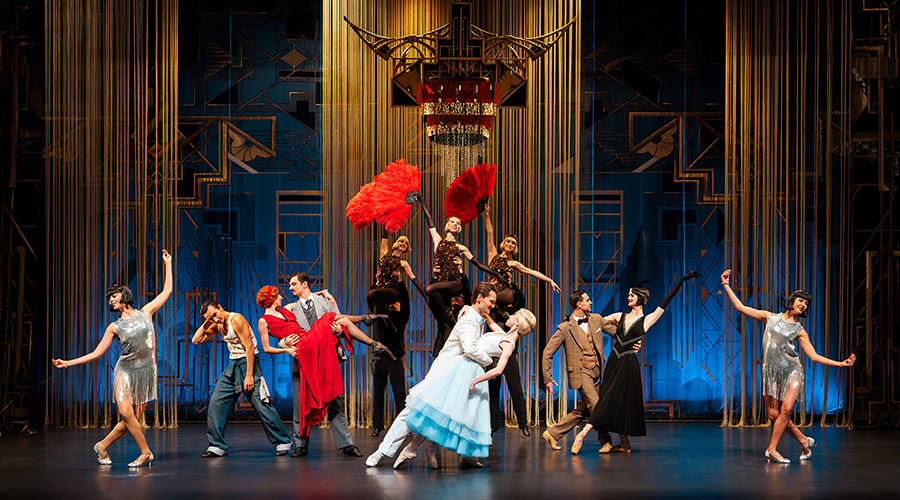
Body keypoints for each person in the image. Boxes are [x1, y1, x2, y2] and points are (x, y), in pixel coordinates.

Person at [366, 282, 516, 469]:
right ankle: (383, 451)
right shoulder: (469, 319)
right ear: (480, 298)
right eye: (491, 301)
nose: (493, 305)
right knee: (415, 410)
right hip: (446, 371)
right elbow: (470, 348)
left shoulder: (476, 317)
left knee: (457, 413)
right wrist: (488, 361)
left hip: (459, 372)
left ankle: (460, 454)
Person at [719, 269, 855, 463]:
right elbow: (740, 307)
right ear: (792, 301)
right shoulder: (770, 317)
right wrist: (726, 285)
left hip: (792, 371)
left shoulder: (799, 330)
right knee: (774, 414)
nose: (803, 304)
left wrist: (840, 363)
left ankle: (772, 449)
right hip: (771, 373)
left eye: (806, 303)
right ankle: (804, 441)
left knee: (786, 410)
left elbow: (814, 356)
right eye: (801, 300)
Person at [52, 249, 173, 467]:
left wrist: (168, 264)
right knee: (126, 412)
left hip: (146, 371)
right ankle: (145, 452)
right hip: (125, 371)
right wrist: (68, 362)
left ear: (124, 295)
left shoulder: (146, 312)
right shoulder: (114, 327)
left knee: (131, 420)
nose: (110, 300)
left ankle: (102, 446)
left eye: (113, 296)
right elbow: (96, 353)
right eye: (109, 299)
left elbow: (167, 290)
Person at [256, 284, 392, 457]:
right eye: (278, 295)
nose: (284, 295)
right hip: (303, 352)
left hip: (316, 347)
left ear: (304, 285)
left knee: (333, 397)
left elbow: (308, 296)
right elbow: (267, 347)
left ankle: (346, 444)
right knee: (300, 403)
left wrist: (323, 292)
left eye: (293, 285)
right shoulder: (265, 320)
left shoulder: (287, 309)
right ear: (272, 298)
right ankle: (300, 445)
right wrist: (286, 347)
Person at [572, 271, 698, 454]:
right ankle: (625, 444)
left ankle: (582, 434)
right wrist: (574, 319)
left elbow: (664, 303)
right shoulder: (619, 316)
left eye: (631, 295)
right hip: (614, 361)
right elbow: (594, 321)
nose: (628, 297)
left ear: (640, 298)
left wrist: (681, 280)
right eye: (628, 294)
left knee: (618, 401)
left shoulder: (647, 320)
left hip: (628, 365)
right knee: (610, 399)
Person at [482, 205, 560, 436]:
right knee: (492, 383)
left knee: (514, 380)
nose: (510, 244)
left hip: (505, 320)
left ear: (515, 250)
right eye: (508, 241)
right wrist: (487, 215)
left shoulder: (514, 265)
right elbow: (489, 233)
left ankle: (523, 423)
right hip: (493, 322)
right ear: (502, 244)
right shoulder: (492, 256)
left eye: (513, 243)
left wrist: (549, 280)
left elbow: (532, 272)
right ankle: (491, 425)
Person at [192, 299, 292, 458]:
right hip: (233, 365)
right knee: (217, 403)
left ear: (220, 307)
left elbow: (249, 347)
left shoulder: (236, 319)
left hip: (248, 363)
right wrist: (208, 321)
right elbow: (196, 340)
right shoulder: (217, 325)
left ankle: (283, 441)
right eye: (211, 318)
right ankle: (217, 445)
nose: (215, 319)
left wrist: (249, 375)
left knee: (261, 404)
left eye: (215, 314)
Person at [541, 290, 618, 453]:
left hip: (597, 371)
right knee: (597, 406)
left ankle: (553, 433)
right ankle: (605, 441)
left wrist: (633, 337)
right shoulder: (565, 328)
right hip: (581, 373)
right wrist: (547, 378)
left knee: (584, 410)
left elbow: (616, 332)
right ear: (579, 304)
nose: (591, 302)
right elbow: (547, 352)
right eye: (587, 300)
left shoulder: (596, 319)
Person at [365, 234, 415, 437]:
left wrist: (401, 281)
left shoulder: (401, 315)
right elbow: (372, 296)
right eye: (401, 241)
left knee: (399, 392)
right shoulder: (380, 312)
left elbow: (405, 301)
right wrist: (377, 281)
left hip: (394, 353)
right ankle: (377, 425)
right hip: (379, 352)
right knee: (378, 391)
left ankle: (402, 426)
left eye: (406, 242)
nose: (403, 244)